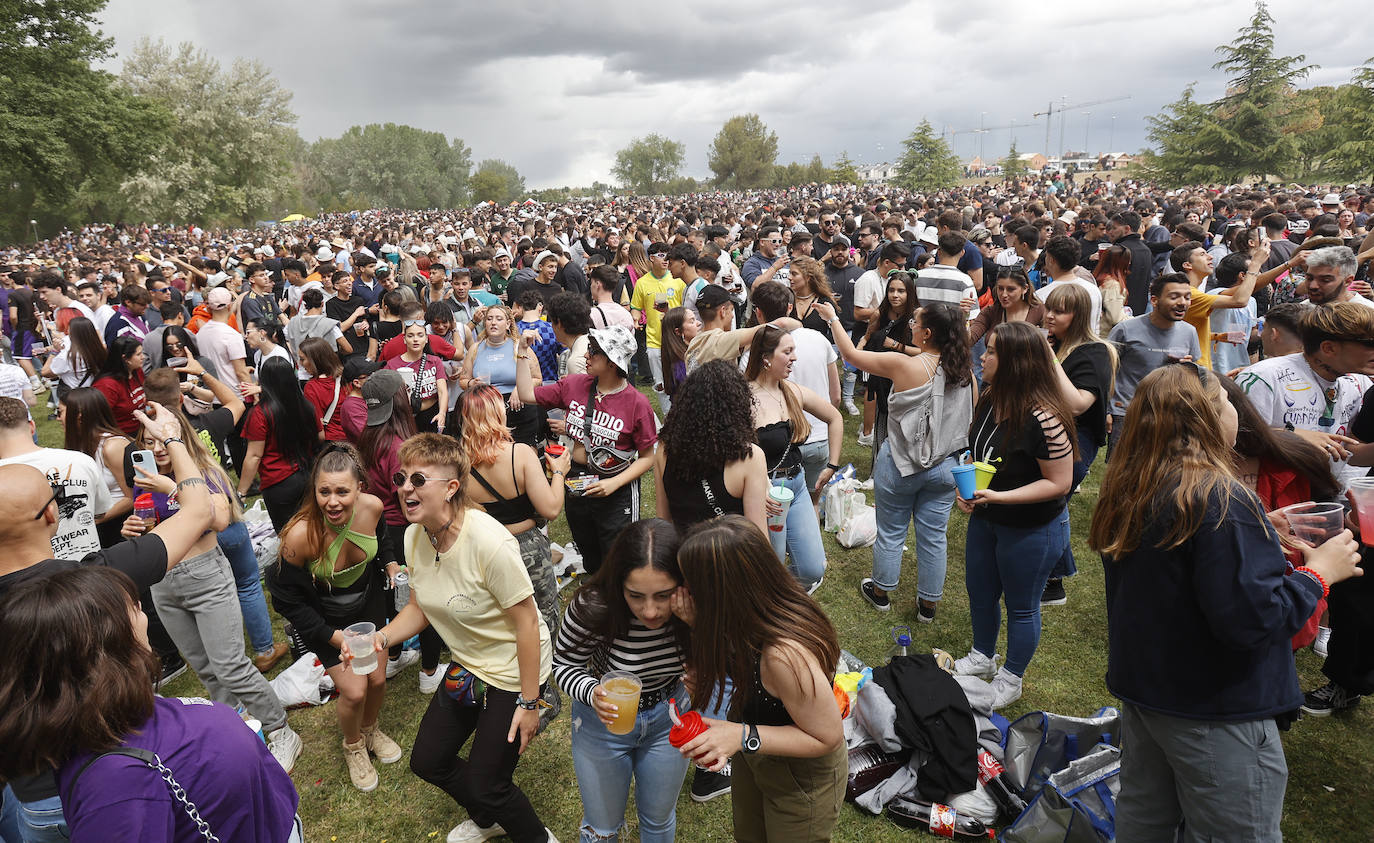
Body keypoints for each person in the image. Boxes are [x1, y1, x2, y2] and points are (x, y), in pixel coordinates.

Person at [1090, 364, 1362, 842]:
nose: (1238, 412)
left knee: (1146, 820)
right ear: (1206, 419)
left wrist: (1257, 529)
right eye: (1228, 402)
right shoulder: (1219, 498)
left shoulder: (1134, 484)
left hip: (1149, 695)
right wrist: (1321, 573)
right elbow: (1253, 620)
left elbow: (1178, 567)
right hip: (1214, 708)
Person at [0, 567, 303, 842]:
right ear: (100, 649)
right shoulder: (115, 790)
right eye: (131, 609)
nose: (143, 612)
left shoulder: (112, 718)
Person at [354, 433, 556, 843]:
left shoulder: (489, 542)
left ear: (451, 488)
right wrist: (382, 638)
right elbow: (421, 606)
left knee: (489, 783)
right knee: (428, 760)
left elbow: (527, 624)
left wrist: (530, 702)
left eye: (418, 479)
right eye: (400, 478)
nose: (405, 488)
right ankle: (491, 816)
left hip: (512, 670)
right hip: (469, 664)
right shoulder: (415, 536)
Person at [122, 408, 303, 773]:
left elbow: (220, 519)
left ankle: (281, 730)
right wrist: (134, 530)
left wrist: (172, 488)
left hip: (206, 578)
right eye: (149, 441)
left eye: (163, 440)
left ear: (179, 438)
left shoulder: (199, 474)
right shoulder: (145, 481)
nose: (157, 448)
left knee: (231, 666)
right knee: (206, 669)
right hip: (163, 583)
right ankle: (239, 728)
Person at [673, 515, 846, 843]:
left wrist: (742, 736)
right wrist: (697, 628)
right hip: (757, 759)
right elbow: (741, 665)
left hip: (801, 778)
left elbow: (828, 736)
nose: (682, 594)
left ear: (722, 593)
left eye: (690, 586)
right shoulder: (744, 618)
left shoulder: (784, 657)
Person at [827, 298, 975, 621]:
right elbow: (968, 424)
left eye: (915, 324)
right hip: (945, 468)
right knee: (934, 537)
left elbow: (851, 356)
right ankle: (928, 607)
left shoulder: (904, 365)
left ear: (927, 334)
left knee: (891, 531)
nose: (912, 327)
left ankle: (881, 592)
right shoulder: (966, 375)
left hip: (899, 465)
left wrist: (831, 319)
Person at [954, 321, 1076, 708]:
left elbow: (1059, 482)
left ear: (1015, 363)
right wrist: (971, 489)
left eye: (991, 352)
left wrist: (998, 497)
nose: (982, 357)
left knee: (1022, 605)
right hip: (988, 518)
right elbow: (980, 450)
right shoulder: (989, 397)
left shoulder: (1044, 417)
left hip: (1031, 528)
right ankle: (982, 656)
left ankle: (1012, 676)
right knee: (981, 592)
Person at [269, 444, 400, 793]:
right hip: (325, 617)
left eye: (343, 491)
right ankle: (353, 744)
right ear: (314, 490)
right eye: (324, 491)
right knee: (354, 691)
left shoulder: (372, 508)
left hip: (368, 607)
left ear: (360, 488)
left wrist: (388, 560)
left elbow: (382, 537)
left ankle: (370, 730)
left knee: (377, 680)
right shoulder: (300, 536)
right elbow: (286, 599)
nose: (333, 501)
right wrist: (333, 636)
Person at [553, 519, 692, 843]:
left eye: (663, 595)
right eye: (636, 596)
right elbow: (562, 664)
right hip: (602, 724)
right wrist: (591, 692)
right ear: (619, 585)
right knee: (601, 829)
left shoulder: (694, 607)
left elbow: (726, 661)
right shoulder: (595, 606)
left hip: (670, 717)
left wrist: (696, 626)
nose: (651, 610)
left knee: (658, 821)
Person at [458, 383, 571, 720]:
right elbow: (550, 509)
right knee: (542, 618)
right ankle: (541, 695)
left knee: (503, 620)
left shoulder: (458, 463)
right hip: (528, 550)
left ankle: (507, 690)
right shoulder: (519, 453)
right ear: (498, 414)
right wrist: (560, 472)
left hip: (487, 551)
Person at [515, 325, 657, 576]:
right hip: (577, 481)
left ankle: (617, 600)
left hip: (616, 488)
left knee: (618, 552)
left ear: (613, 362)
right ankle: (595, 590)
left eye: (594, 351)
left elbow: (647, 458)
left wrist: (613, 484)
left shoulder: (637, 403)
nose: (585, 356)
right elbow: (526, 394)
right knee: (586, 543)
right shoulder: (575, 385)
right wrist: (522, 351)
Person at [743, 325, 842, 591]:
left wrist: (832, 464)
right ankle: (773, 609)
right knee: (770, 569)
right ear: (766, 358)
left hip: (796, 488)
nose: (794, 357)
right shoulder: (743, 397)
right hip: (765, 496)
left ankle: (783, 599)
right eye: (787, 351)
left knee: (813, 569)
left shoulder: (792, 391)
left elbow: (835, 417)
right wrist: (759, 488)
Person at [1040, 283, 1117, 607]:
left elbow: (1077, 404)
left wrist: (1048, 358)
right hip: (1048, 435)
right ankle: (1055, 577)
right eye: (1049, 308)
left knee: (1051, 504)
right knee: (1053, 505)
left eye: (1060, 310)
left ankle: (1052, 581)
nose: (1050, 315)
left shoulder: (1094, 352)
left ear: (1080, 315)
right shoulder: (1054, 343)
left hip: (1076, 441)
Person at [655, 360, 771, 535]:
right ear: (738, 406)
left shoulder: (665, 448)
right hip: (729, 558)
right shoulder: (749, 457)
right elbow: (757, 536)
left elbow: (663, 522)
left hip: (682, 556)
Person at [1106, 275, 1203, 456]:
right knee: (1121, 471)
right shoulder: (1125, 330)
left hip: (1169, 413)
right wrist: (1107, 410)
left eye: (1187, 297)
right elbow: (1106, 370)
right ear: (1154, 300)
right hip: (1127, 411)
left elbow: (1195, 373)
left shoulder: (1189, 331)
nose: (1183, 303)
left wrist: (1188, 368)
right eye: (1174, 297)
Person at [238, 357, 322, 532]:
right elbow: (320, 435)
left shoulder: (260, 414)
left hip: (279, 484)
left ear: (263, 382)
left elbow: (254, 456)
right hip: (310, 475)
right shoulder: (306, 406)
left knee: (289, 538)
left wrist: (241, 493)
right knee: (316, 529)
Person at [60, 387, 134, 548]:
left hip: (120, 527)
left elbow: (132, 497)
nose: (58, 418)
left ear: (79, 416)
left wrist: (90, 520)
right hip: (95, 524)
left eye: (61, 412)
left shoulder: (113, 447)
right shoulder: (79, 446)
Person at [460, 304, 542, 447]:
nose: (493, 322)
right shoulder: (475, 349)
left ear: (508, 323)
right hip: (486, 410)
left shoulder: (519, 346)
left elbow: (537, 379)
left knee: (523, 450)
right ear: (484, 323)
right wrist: (471, 384)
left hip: (518, 408)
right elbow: (463, 380)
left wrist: (520, 389)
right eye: (489, 319)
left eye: (499, 319)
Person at [386, 318, 448, 434]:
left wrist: (442, 413)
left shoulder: (434, 361)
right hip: (404, 419)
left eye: (420, 335)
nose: (415, 339)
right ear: (404, 340)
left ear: (426, 339)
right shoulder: (392, 365)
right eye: (410, 336)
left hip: (432, 416)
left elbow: (442, 391)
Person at [91, 336, 147, 436]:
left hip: (141, 429)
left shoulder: (137, 371)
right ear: (125, 358)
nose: (143, 357)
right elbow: (98, 418)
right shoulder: (107, 386)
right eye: (138, 354)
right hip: (121, 435)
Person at [299, 337, 348, 442]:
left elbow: (319, 430)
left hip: (332, 443)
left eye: (302, 359)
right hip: (353, 439)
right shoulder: (346, 377)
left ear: (315, 360)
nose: (300, 363)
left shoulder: (312, 387)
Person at [44, 313, 103, 399]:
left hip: (75, 396)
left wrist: (54, 352)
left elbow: (45, 372)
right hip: (95, 393)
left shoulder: (68, 356)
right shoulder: (99, 350)